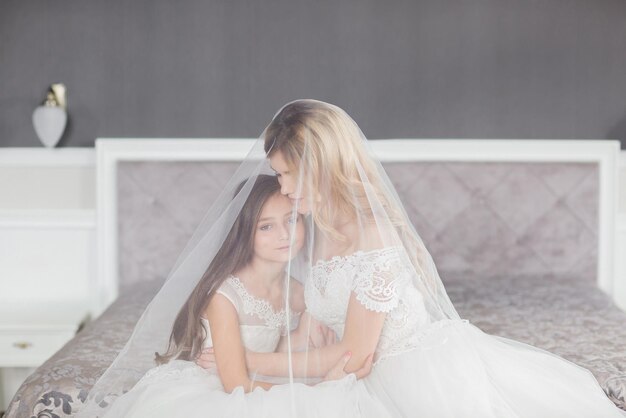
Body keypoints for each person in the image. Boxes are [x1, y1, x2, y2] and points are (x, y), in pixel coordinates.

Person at [196, 99, 626, 417]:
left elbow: (352, 353)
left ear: (320, 167)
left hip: (415, 373)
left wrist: (249, 360)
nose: (284, 188)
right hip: (355, 370)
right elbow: (317, 327)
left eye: (289, 174)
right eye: (279, 176)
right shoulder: (318, 229)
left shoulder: (375, 236)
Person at [94, 175, 386, 418]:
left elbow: (287, 354)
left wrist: (313, 343)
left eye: (292, 220)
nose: (284, 235)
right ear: (244, 232)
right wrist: (319, 390)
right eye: (266, 227)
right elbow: (237, 385)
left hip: (265, 385)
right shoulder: (224, 296)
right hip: (220, 394)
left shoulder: (301, 294)